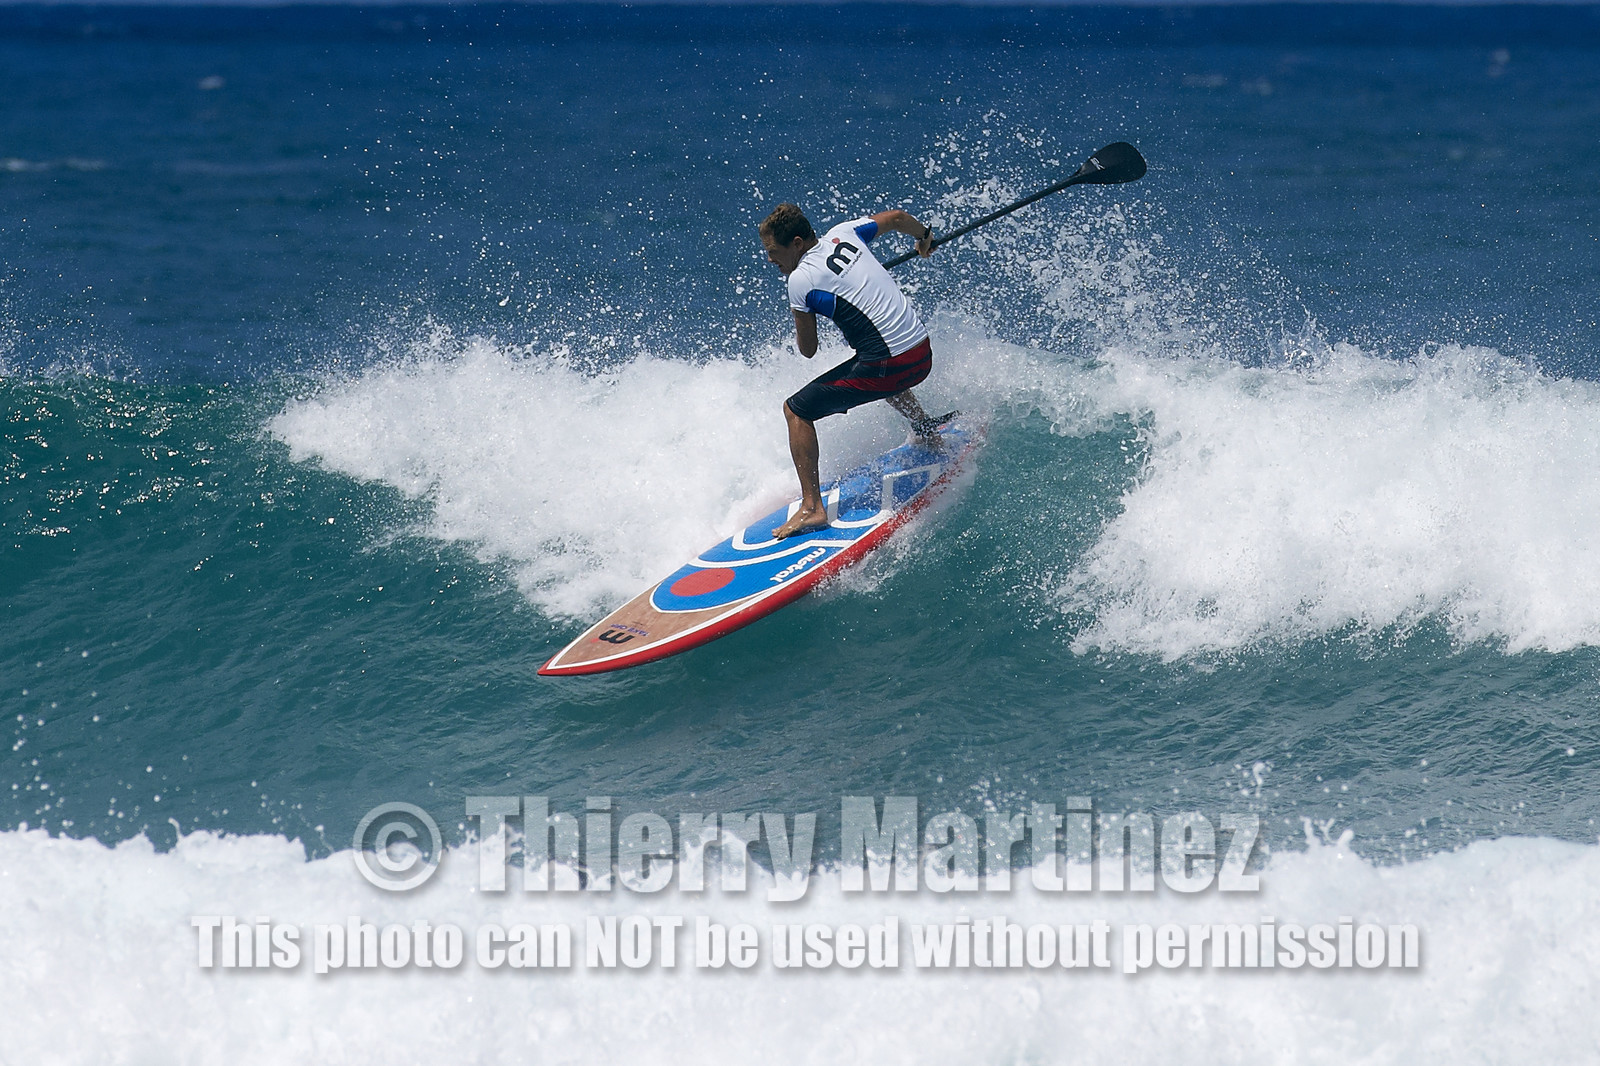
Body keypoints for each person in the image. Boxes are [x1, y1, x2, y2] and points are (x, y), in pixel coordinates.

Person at [759, 202, 950, 540]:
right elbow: (897, 218)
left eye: (774, 252)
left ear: (798, 243)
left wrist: (806, 308)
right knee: (871, 359)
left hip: (893, 367)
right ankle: (925, 430)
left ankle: (811, 508)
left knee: (795, 410)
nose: (770, 260)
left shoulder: (800, 281)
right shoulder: (845, 233)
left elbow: (808, 350)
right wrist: (924, 238)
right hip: (921, 353)